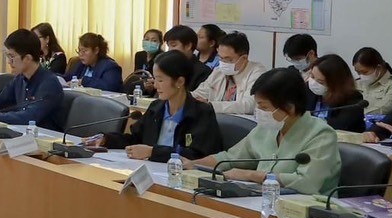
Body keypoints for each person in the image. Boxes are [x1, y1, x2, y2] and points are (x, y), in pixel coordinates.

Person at [194, 68, 342, 197]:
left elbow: (307, 182)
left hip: (306, 210)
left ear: (290, 107)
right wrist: (192, 165)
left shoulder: (321, 135)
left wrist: (252, 175)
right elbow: (229, 158)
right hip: (263, 200)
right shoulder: (267, 128)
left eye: (264, 107)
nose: (259, 112)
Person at [89, 51, 222, 162]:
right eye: (155, 79)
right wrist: (106, 139)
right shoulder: (156, 107)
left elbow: (196, 155)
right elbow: (135, 139)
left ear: (180, 81)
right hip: (152, 169)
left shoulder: (201, 112)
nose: (156, 85)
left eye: (160, 80)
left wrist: (152, 152)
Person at [191, 31, 268, 116]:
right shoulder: (219, 70)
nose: (223, 63)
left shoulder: (257, 72)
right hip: (216, 118)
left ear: (244, 58)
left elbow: (249, 105)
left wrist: (211, 105)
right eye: (221, 58)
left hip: (241, 121)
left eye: (228, 59)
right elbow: (200, 93)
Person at [306, 54, 366, 132]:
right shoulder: (308, 91)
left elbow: (339, 126)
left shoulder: (353, 99)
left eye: (320, 82)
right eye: (312, 76)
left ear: (336, 84)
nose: (313, 83)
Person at [351, 46, 392, 115]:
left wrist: (352, 115)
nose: (361, 76)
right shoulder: (357, 83)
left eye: (364, 72)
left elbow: (382, 110)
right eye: (358, 73)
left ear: (379, 68)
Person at [162, 25, 211, 92]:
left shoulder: (202, 72)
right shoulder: (168, 67)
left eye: (173, 45)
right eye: (168, 46)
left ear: (188, 46)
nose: (170, 50)